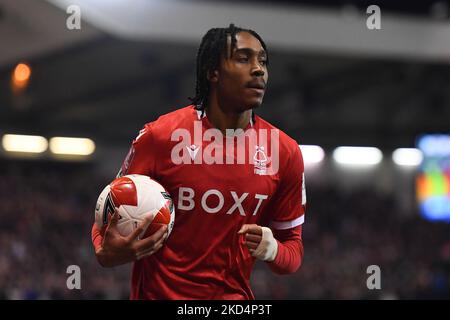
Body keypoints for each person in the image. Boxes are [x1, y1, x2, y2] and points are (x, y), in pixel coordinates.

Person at [91, 24, 306, 300]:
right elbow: (106, 214)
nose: (258, 69)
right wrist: (105, 253)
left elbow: (293, 251)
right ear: (212, 71)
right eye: (243, 58)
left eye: (263, 61)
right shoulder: (160, 137)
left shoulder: (284, 152)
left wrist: (272, 250)